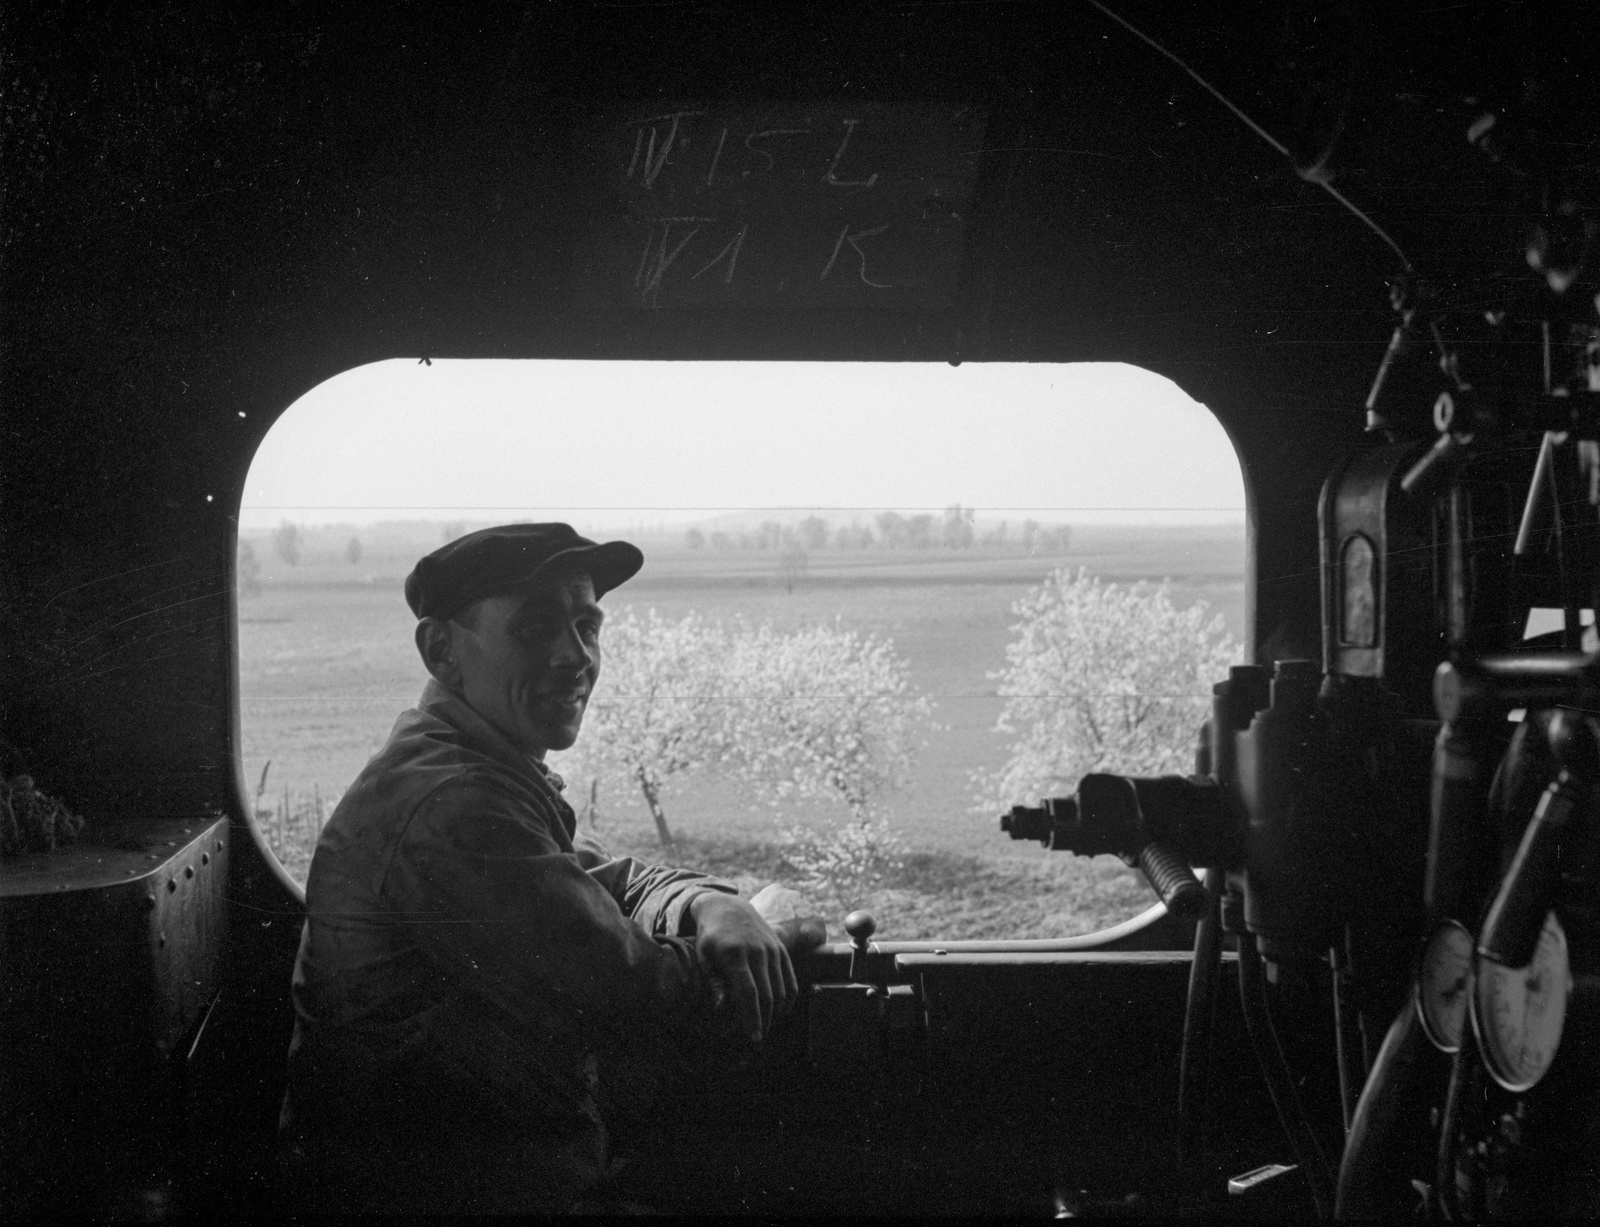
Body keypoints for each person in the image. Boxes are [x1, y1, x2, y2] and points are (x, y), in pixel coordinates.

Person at [277, 522, 826, 1215]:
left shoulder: (481, 764)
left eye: (587, 625)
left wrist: (711, 904)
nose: (576, 656)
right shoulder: (455, 802)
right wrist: (773, 925)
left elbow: (604, 877)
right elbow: (635, 997)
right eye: (537, 627)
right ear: (441, 651)